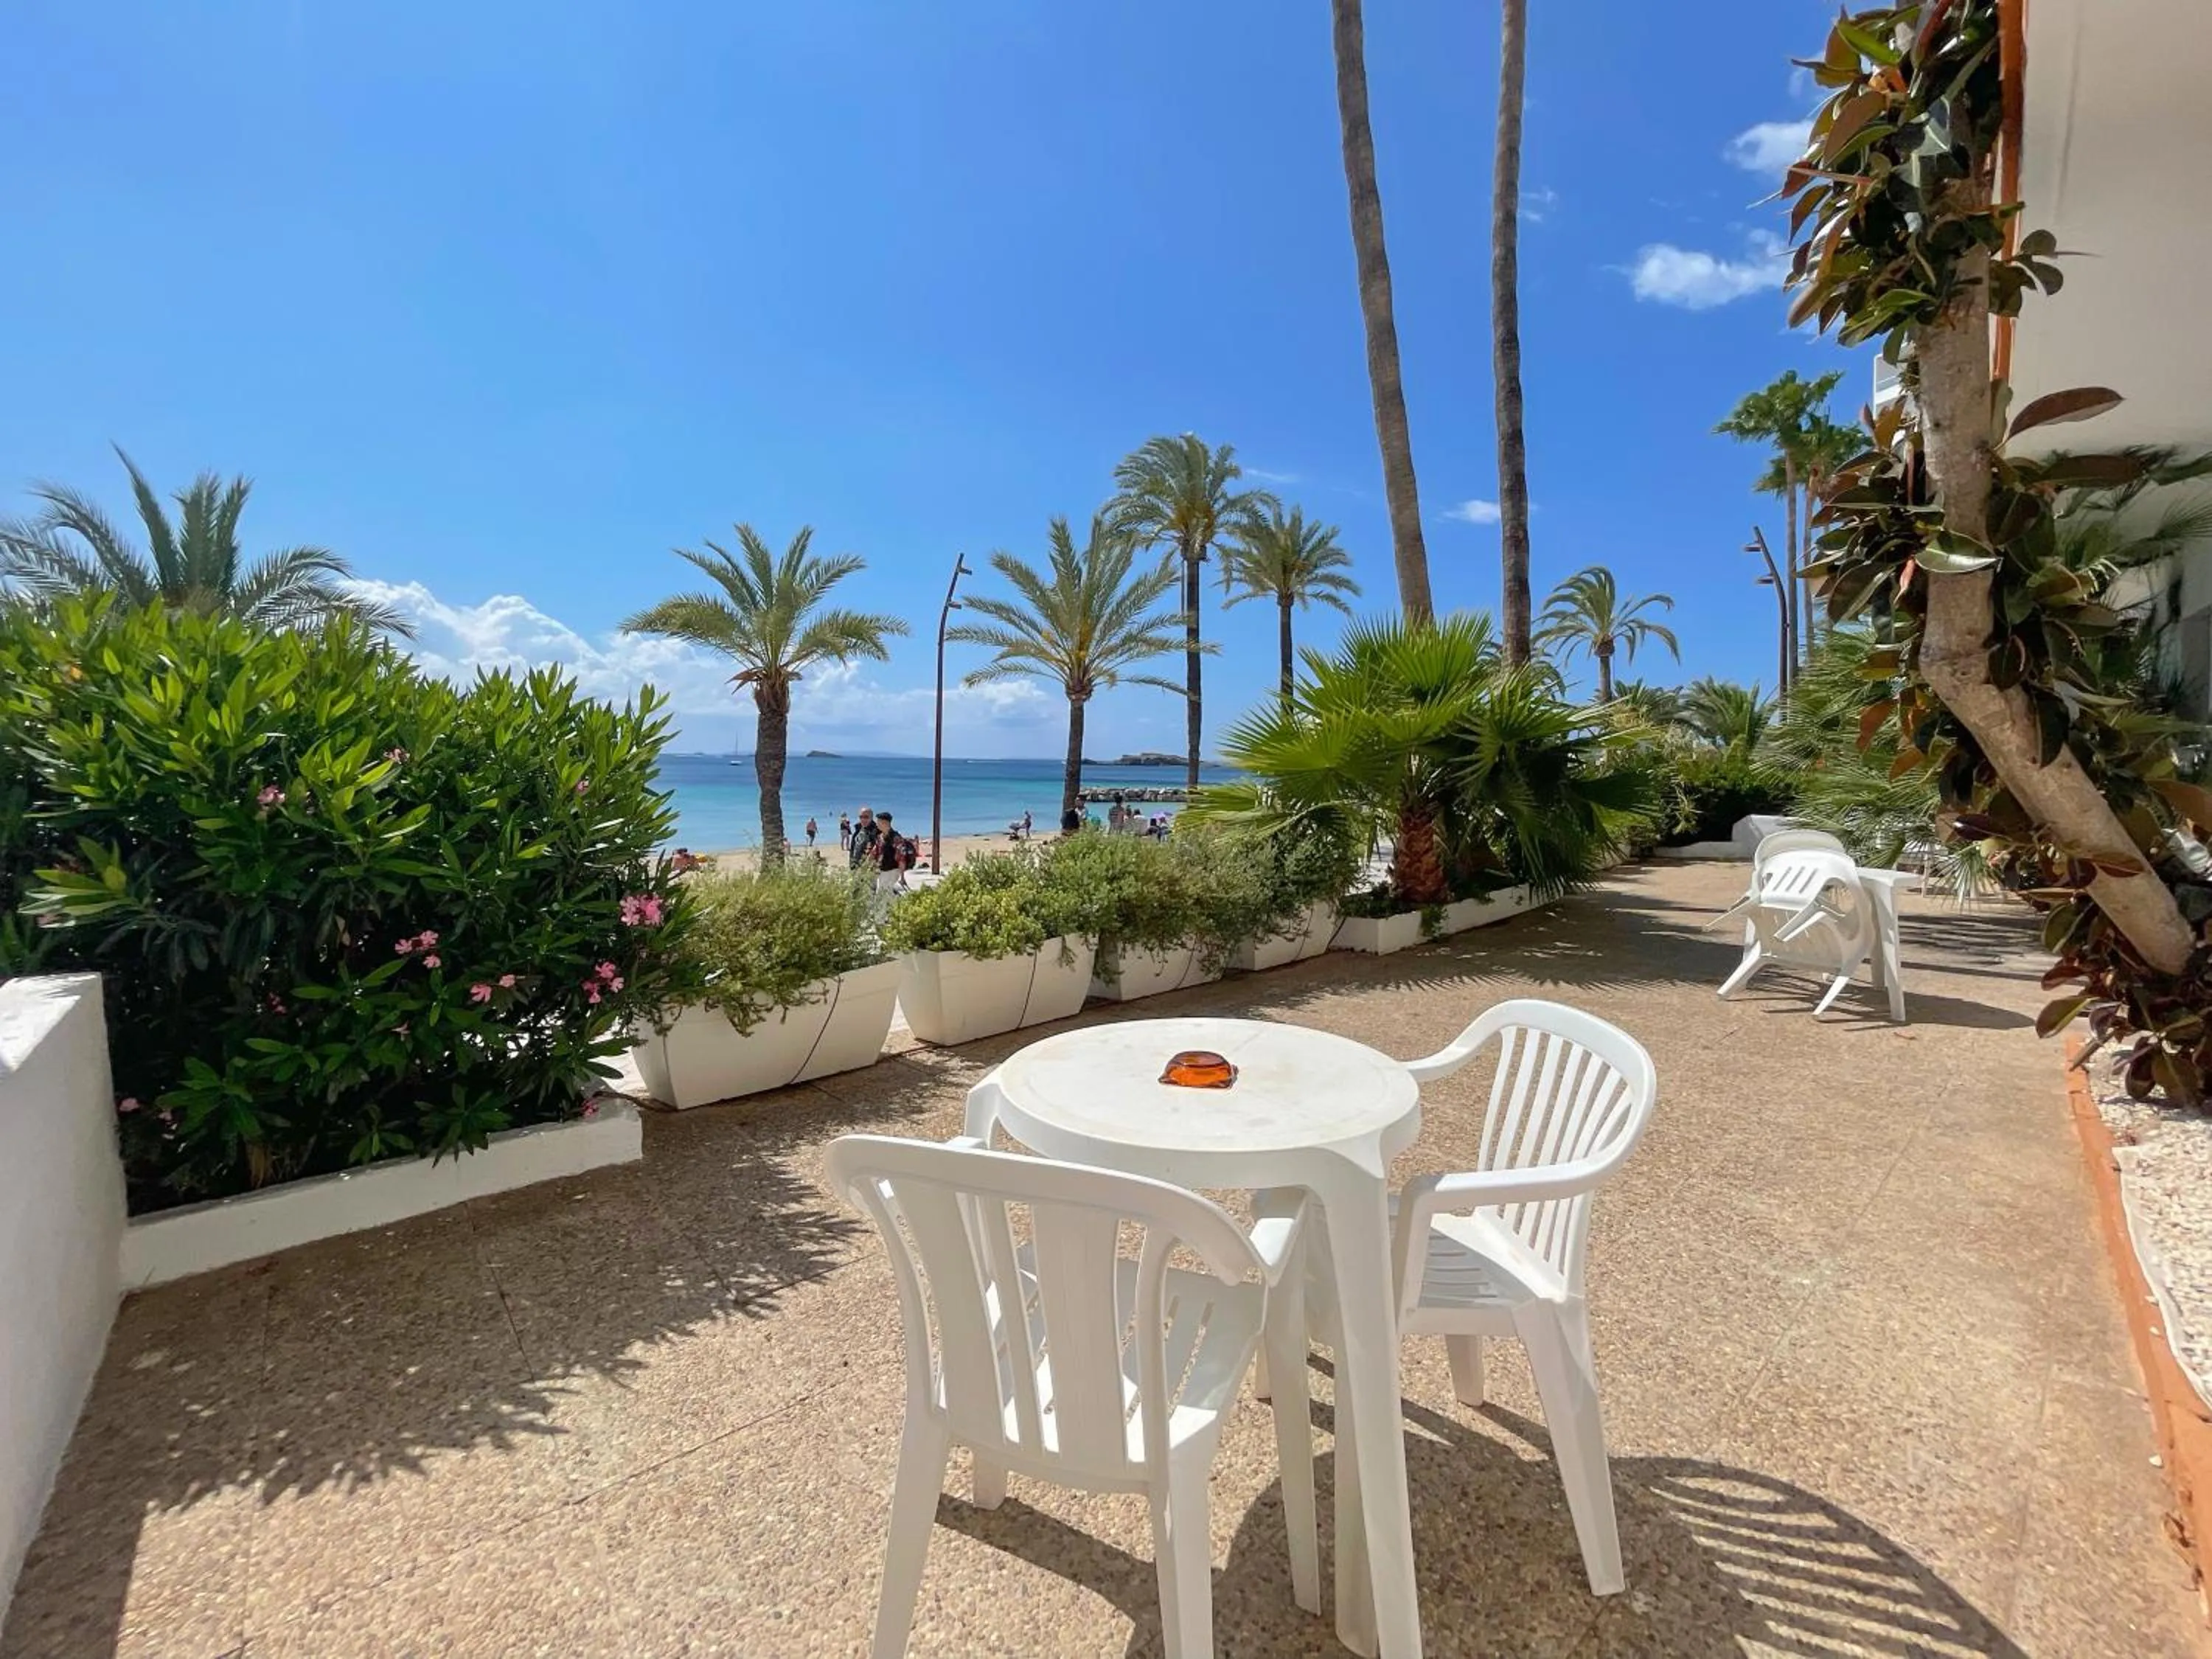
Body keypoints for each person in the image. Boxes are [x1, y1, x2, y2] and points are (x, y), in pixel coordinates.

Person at [873, 808, 914, 894]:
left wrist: (902, 877)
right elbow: (876, 852)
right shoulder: (880, 837)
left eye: (878, 822)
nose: (877, 824)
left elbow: (901, 858)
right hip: (882, 870)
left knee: (882, 894)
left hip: (892, 870)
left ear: (885, 823)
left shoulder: (896, 838)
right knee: (884, 893)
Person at [849, 807, 878, 871]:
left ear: (872, 818)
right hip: (855, 867)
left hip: (868, 870)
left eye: (866, 817)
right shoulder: (858, 829)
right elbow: (853, 848)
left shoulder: (876, 832)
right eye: (861, 817)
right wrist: (851, 864)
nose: (863, 819)